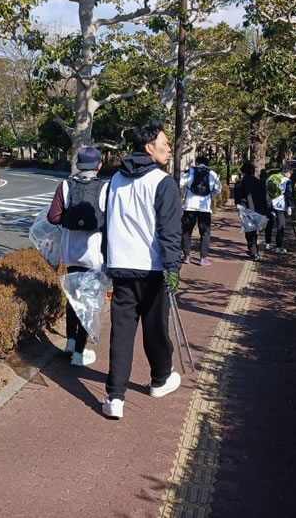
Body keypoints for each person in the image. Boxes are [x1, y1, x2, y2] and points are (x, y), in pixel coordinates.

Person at [102, 122, 182, 420]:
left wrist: (107, 260)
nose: (169, 148)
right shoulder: (163, 182)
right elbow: (169, 231)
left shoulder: (115, 179)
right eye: (165, 143)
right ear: (149, 147)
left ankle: (114, 397)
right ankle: (160, 379)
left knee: (121, 333)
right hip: (152, 268)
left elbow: (107, 222)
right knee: (155, 326)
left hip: (121, 265)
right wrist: (172, 268)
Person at [47, 146, 108, 367]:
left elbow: (53, 217)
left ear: (78, 165)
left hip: (71, 251)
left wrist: (69, 219)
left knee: (73, 298)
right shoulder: (105, 187)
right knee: (87, 303)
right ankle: (79, 355)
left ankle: (71, 343)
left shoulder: (65, 186)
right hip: (94, 253)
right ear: (99, 165)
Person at [178, 155, 221, 266]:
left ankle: (186, 256)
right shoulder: (213, 174)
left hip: (189, 206)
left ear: (196, 162)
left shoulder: (189, 171)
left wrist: (184, 193)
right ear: (207, 163)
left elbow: (180, 184)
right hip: (205, 207)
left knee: (187, 231)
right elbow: (218, 190)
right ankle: (203, 258)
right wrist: (210, 195)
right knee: (205, 233)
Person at [233, 162, 268, 260]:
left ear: (243, 172)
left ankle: (254, 252)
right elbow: (264, 197)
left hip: (246, 209)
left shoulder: (241, 182)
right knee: (253, 231)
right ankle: (253, 250)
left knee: (249, 231)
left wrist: (239, 207)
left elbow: (238, 197)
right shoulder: (259, 182)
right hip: (258, 210)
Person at [265, 165, 295, 254]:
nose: (290, 176)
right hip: (280, 206)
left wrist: (268, 204)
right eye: (290, 174)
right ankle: (278, 247)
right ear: (287, 173)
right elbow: (288, 194)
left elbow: (266, 192)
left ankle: (267, 243)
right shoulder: (287, 180)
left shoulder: (270, 178)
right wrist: (289, 206)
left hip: (270, 205)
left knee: (269, 224)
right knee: (281, 226)